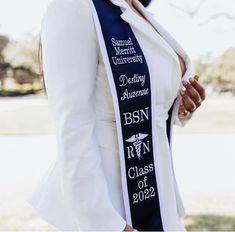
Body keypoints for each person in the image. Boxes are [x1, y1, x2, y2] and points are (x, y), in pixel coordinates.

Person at [27, 0, 205, 231]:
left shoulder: (138, 11)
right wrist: (106, 224)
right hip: (111, 207)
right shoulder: (73, 7)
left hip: (160, 196)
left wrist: (180, 105)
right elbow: (72, 126)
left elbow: (151, 99)